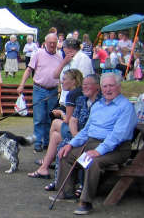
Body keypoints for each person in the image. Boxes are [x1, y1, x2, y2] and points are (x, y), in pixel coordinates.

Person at [55, 73, 136, 215]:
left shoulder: (126, 107)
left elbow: (117, 136)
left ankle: (86, 202)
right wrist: (71, 144)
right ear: (101, 88)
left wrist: (99, 151)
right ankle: (67, 192)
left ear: (119, 87)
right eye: (105, 86)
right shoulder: (97, 105)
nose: (108, 89)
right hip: (92, 143)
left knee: (92, 161)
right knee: (65, 153)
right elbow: (86, 130)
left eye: (111, 86)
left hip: (116, 148)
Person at [18, 33, 64, 152]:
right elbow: (29, 70)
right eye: (50, 43)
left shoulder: (60, 57)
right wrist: (22, 84)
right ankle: (38, 143)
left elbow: (62, 74)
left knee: (50, 118)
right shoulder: (38, 54)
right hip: (39, 88)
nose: (52, 45)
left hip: (53, 91)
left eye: (54, 43)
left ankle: (48, 142)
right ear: (46, 43)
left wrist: (61, 87)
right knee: (39, 118)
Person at [53, 38, 94, 107]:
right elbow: (55, 76)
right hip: (65, 100)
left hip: (77, 101)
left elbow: (83, 81)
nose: (63, 50)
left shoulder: (83, 59)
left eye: (64, 48)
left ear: (70, 48)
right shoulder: (67, 59)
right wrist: (63, 63)